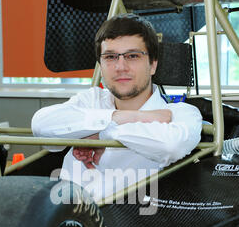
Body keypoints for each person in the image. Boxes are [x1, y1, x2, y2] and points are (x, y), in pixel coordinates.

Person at [32, 14, 202, 201]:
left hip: (132, 223)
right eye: (110, 57)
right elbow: (41, 126)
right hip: (67, 219)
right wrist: (125, 117)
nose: (121, 67)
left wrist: (100, 134)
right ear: (101, 65)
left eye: (132, 56)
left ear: (153, 65)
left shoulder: (180, 113)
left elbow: (171, 146)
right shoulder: (91, 100)